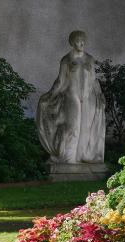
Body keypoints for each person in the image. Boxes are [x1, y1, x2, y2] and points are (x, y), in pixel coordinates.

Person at [36, 30, 105, 164]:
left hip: (88, 97)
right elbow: (60, 81)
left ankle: (82, 156)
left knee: (86, 128)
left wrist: (100, 94)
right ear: (72, 43)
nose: (82, 43)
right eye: (78, 41)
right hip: (71, 96)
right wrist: (50, 95)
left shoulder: (90, 59)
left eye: (83, 40)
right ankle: (68, 159)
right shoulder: (66, 60)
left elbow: (94, 80)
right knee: (72, 127)